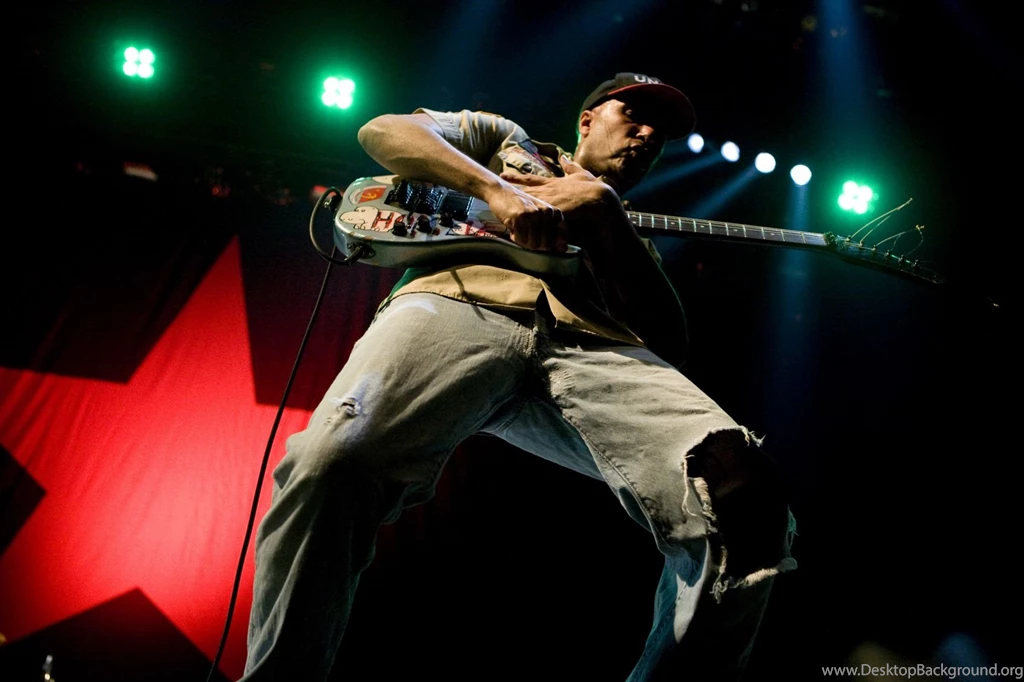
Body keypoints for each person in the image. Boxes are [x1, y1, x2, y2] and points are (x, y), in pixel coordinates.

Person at [241, 72, 797, 681]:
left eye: (659, 134)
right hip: (456, 304)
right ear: (587, 120)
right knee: (331, 462)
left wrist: (608, 218)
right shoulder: (505, 140)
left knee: (742, 493)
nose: (646, 135)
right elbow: (383, 132)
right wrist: (498, 192)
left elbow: (669, 345)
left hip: (587, 348)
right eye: (633, 116)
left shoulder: (627, 231)